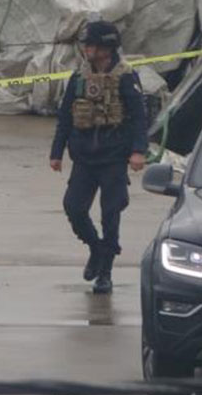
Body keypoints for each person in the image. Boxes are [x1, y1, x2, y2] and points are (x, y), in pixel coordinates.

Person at [49, 20, 148, 294]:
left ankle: (106, 271)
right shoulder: (79, 77)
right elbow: (65, 116)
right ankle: (96, 247)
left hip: (114, 158)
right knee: (74, 207)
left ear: (106, 47)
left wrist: (138, 151)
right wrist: (56, 152)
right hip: (84, 158)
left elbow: (140, 116)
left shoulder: (126, 75)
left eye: (91, 44)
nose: (86, 49)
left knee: (111, 213)